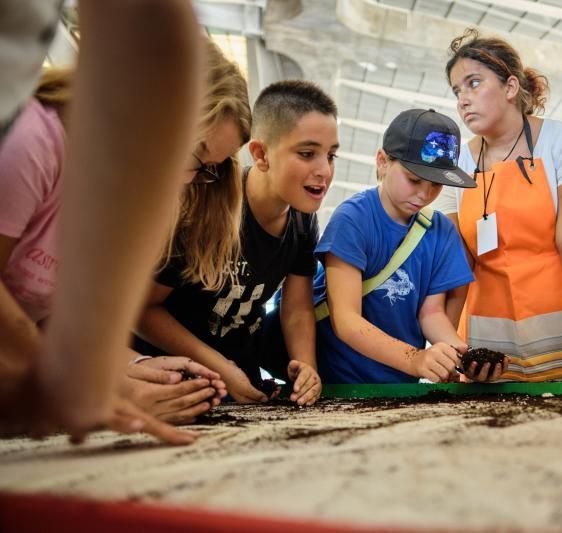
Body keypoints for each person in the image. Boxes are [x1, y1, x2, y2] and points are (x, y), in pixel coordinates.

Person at [0, 0, 205, 444]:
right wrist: (77, 381)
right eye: (192, 157)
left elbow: (48, 314)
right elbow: (149, 26)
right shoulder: (33, 140)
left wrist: (106, 375)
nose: (187, 179)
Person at [437, 29, 562, 383]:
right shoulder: (458, 162)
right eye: (457, 90)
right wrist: (447, 345)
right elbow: (459, 262)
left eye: (474, 83)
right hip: (494, 347)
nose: (462, 99)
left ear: (511, 87)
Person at [136, 80, 337, 406]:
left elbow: (297, 308)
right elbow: (142, 310)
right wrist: (217, 366)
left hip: (238, 369)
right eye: (307, 153)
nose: (324, 170)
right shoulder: (205, 206)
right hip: (168, 368)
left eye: (331, 155)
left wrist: (307, 367)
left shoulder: (303, 221)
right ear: (260, 154)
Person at [314, 108, 477, 384]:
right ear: (383, 162)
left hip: (400, 384)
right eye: (414, 180)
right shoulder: (352, 219)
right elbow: (346, 320)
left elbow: (433, 313)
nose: (424, 194)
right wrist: (415, 359)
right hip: (337, 382)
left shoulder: (441, 231)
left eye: (436, 184)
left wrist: (466, 357)